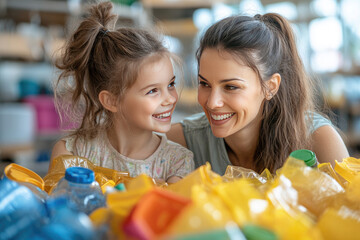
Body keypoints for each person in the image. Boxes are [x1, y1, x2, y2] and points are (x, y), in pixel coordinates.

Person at [167, 13, 349, 175]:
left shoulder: (320, 142)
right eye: (204, 84)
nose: (212, 103)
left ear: (270, 87)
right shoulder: (179, 143)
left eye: (231, 87)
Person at [50, 1, 194, 183]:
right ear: (111, 101)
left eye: (171, 85)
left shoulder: (178, 162)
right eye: (153, 91)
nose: (170, 99)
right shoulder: (71, 152)